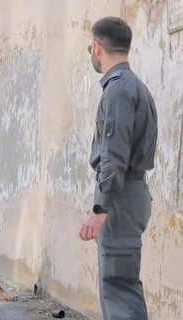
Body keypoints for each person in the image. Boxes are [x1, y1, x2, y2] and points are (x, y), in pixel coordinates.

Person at [79, 17, 158, 320]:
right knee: (118, 287)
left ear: (97, 48)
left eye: (90, 47)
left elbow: (114, 154)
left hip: (121, 196)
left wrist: (101, 208)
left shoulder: (119, 90)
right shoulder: (133, 86)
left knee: (119, 290)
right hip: (128, 193)